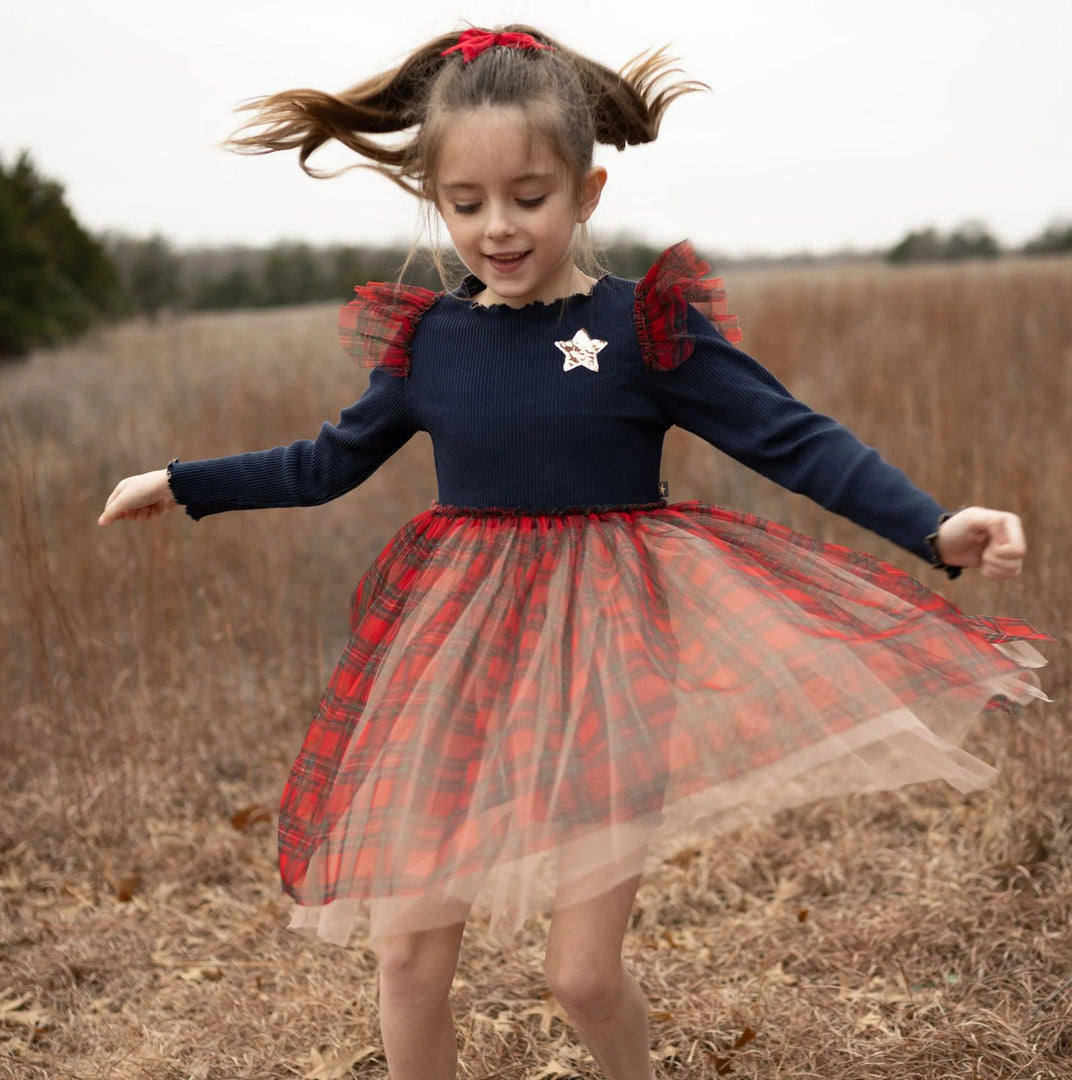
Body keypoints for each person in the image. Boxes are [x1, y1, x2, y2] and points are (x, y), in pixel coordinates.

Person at [97, 25, 1051, 1080]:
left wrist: (931, 524)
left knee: (583, 978)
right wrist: (186, 482)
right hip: (454, 662)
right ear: (436, 201)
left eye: (529, 196)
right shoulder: (430, 346)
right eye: (466, 203)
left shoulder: (645, 328)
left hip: (607, 660)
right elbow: (323, 463)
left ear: (587, 191)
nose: (498, 227)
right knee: (408, 955)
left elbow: (791, 436)